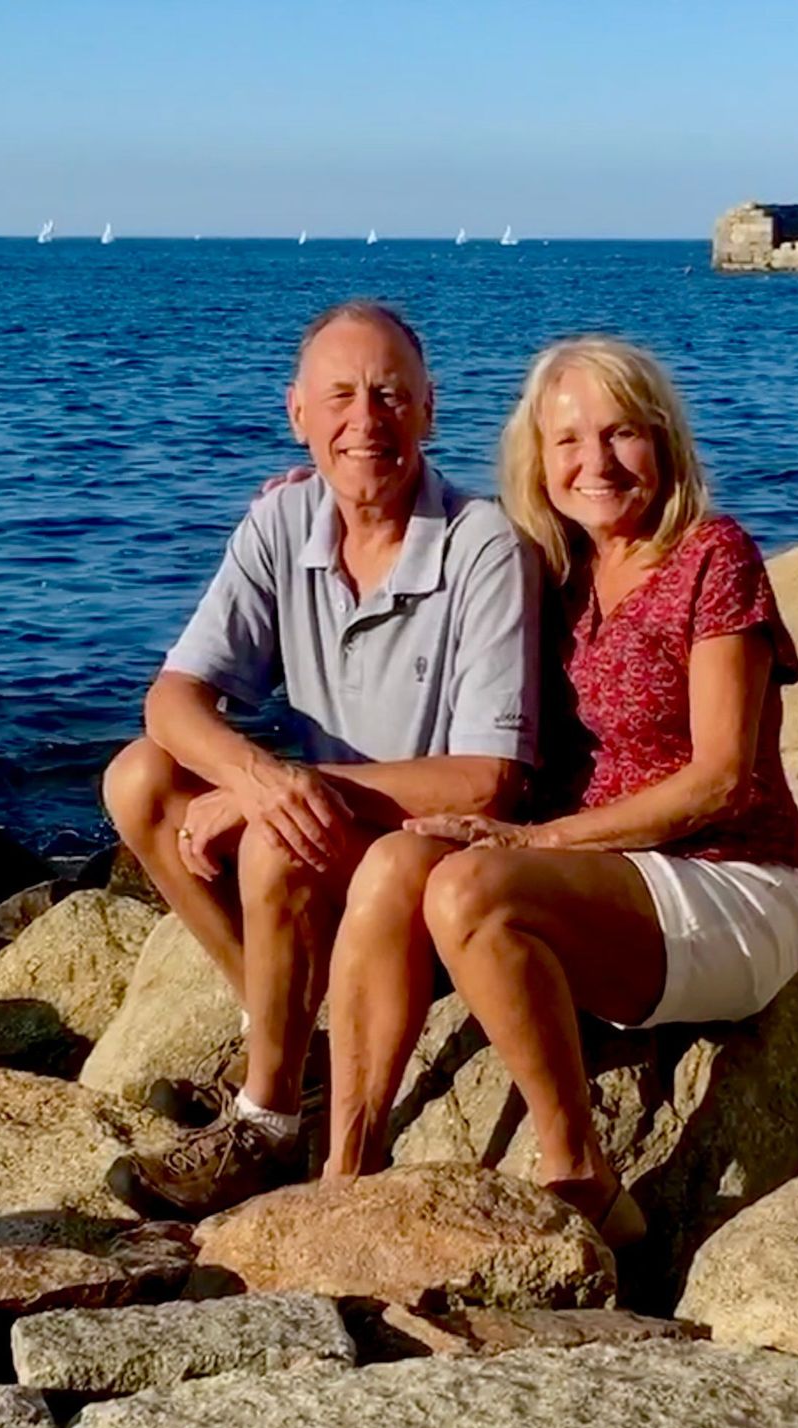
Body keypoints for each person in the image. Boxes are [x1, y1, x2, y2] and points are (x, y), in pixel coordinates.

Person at [323, 334, 798, 1247]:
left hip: (728, 880)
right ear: (536, 462)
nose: (595, 463)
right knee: (394, 863)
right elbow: (424, 539)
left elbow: (719, 777)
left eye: (621, 434)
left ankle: (579, 1173)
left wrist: (536, 843)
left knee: (467, 883)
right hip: (596, 882)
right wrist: (323, 500)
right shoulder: (553, 569)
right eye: (568, 442)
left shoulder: (714, 556)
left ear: (663, 442)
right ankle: (346, 1162)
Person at [103, 300, 541, 1217]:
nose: (365, 419)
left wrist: (288, 794)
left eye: (389, 394)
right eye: (339, 395)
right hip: (330, 831)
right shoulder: (282, 521)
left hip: (427, 849)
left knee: (277, 839)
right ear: (298, 414)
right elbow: (171, 699)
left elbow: (488, 777)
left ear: (430, 408)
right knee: (138, 776)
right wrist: (256, 775)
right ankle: (296, 1049)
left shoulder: (482, 545)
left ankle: (263, 1122)